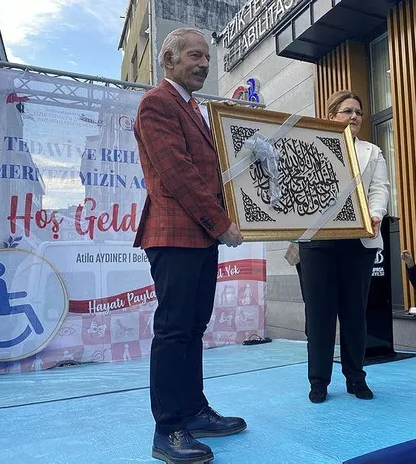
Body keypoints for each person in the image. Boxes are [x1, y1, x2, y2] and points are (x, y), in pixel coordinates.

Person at [133, 28, 246, 464]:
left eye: (207, 58)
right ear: (169, 59)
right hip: (174, 234)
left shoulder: (196, 109)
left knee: (194, 328)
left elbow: (211, 173)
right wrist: (221, 223)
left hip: (199, 235)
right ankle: (168, 429)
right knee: (174, 330)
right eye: (195, 56)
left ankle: (194, 411)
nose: (204, 65)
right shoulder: (157, 103)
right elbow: (178, 173)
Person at [299, 90, 390, 403]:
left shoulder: (372, 151)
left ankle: (356, 378)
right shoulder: (311, 146)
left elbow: (380, 189)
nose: (354, 116)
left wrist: (375, 215)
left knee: (354, 314)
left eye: (358, 112)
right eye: (347, 111)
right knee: (319, 316)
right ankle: (318, 382)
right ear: (331, 116)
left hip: (358, 242)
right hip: (317, 241)